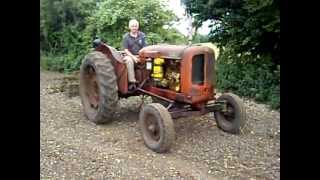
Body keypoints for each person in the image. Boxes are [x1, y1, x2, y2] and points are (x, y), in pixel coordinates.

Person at [122, 19, 147, 91]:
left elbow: (145, 47)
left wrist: (141, 56)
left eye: (136, 26)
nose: (134, 28)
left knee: (149, 61)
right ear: (129, 27)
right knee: (129, 61)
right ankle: (132, 82)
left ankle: (147, 80)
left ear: (138, 27)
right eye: (132, 26)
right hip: (129, 55)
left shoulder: (142, 35)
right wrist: (133, 57)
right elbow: (126, 50)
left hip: (139, 55)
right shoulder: (126, 37)